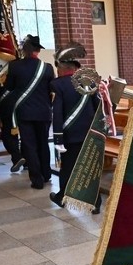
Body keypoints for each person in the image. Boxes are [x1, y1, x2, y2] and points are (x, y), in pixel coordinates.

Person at [49, 44, 102, 214]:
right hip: (89, 135)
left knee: (68, 168)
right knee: (91, 168)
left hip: (70, 136)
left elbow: (57, 114)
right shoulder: (89, 83)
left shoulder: (57, 85)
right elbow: (98, 108)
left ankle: (62, 198)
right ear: (75, 69)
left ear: (62, 69)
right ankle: (95, 203)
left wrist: (58, 139)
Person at [4, 35, 54, 189]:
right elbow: (51, 90)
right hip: (44, 112)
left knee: (29, 145)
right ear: (38, 51)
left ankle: (36, 179)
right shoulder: (48, 68)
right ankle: (46, 174)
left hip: (24, 112)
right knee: (43, 144)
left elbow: (10, 87)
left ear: (24, 50)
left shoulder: (15, 66)